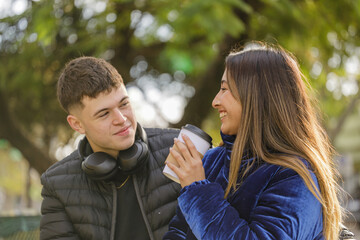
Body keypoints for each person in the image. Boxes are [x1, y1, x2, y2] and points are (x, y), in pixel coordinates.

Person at [163, 43, 346, 240]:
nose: (215, 101)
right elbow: (178, 232)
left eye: (225, 89)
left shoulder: (295, 177)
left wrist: (198, 190)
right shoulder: (211, 160)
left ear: (256, 97)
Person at [40, 56, 181, 240]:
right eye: (104, 114)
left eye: (124, 104)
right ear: (77, 125)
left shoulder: (178, 147)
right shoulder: (56, 185)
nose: (121, 119)